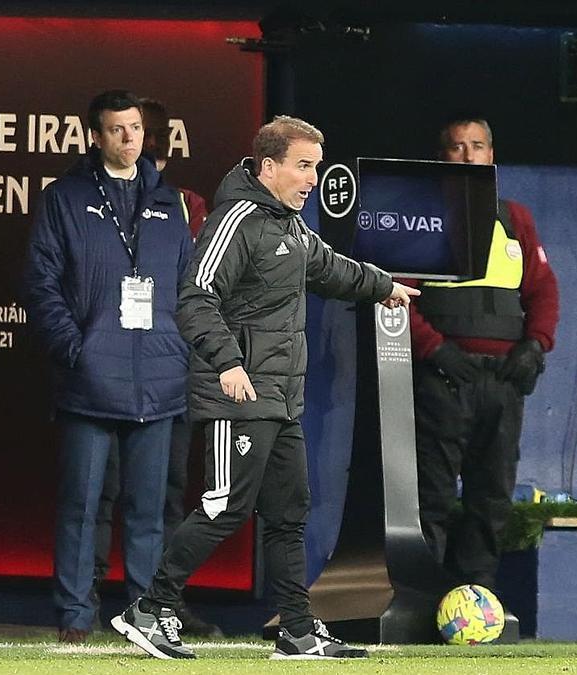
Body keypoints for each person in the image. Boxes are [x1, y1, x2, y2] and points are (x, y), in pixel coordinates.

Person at [111, 115, 418, 660]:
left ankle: (297, 631)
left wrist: (383, 287)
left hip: (280, 396)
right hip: (240, 393)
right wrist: (229, 363)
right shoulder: (238, 220)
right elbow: (195, 298)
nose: (313, 179)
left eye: (316, 168)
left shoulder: (289, 225)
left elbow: (328, 267)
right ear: (268, 166)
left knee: (289, 511)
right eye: (303, 167)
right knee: (225, 505)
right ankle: (151, 608)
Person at [23, 90, 192, 644]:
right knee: (82, 505)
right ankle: (76, 618)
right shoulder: (64, 199)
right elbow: (41, 283)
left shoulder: (170, 204)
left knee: (149, 511)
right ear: (95, 136)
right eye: (117, 129)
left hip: (159, 381)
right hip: (90, 380)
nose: (129, 138)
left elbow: (189, 290)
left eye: (136, 128)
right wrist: (76, 349)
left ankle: (145, 620)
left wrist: (181, 349)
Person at [405, 116, 559, 591]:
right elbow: (396, 297)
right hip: (444, 378)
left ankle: (476, 595)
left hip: (503, 382)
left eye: (477, 146)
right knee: (430, 495)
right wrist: (435, 351)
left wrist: (535, 346)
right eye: (457, 147)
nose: (468, 155)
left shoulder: (515, 219)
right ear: (441, 157)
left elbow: (543, 291)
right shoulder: (421, 218)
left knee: (491, 496)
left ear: (492, 155)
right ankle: (423, 595)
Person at [92, 97, 220, 637]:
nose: (140, 142)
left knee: (167, 491)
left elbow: (207, 291)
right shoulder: (91, 199)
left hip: (172, 373)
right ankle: (88, 603)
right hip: (105, 372)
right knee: (102, 488)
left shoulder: (186, 205)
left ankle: (160, 604)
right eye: (127, 131)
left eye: (147, 133)